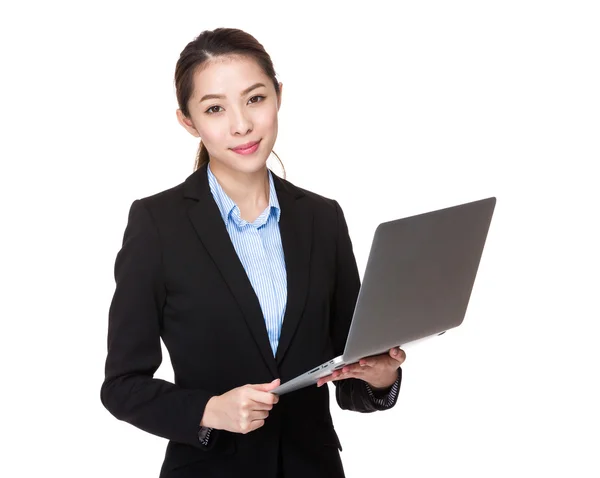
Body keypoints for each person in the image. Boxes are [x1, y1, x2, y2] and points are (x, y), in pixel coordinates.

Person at [100, 27, 407, 478]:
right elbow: (122, 387)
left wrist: (381, 377)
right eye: (215, 109)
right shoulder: (157, 225)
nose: (241, 124)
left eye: (255, 99)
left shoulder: (323, 218)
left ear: (278, 96)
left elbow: (348, 377)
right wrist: (208, 411)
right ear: (189, 121)